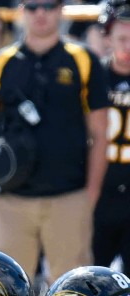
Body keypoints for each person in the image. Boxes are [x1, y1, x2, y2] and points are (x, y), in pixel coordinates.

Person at [0, 0, 108, 296]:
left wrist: (90, 194)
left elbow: (100, 133)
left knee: (74, 295)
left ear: (61, 10)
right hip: (11, 201)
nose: (41, 13)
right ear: (20, 12)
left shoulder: (83, 60)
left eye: (49, 5)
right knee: (3, 295)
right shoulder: (0, 62)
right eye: (32, 6)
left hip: (69, 195)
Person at [94, 0, 130, 271]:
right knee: (92, 275)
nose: (128, 47)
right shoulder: (94, 76)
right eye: (122, 38)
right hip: (101, 191)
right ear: (107, 38)